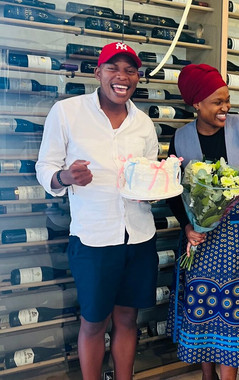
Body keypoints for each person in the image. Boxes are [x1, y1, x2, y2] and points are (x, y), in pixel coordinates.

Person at [36, 41, 159, 380]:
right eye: (113, 68)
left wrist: (152, 189)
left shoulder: (144, 124)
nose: (122, 76)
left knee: (128, 319)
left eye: (130, 70)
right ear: (98, 73)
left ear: (137, 78)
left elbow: (149, 175)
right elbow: (45, 167)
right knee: (93, 322)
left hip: (139, 236)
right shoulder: (67, 112)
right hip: (93, 239)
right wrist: (65, 177)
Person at [166, 64, 239, 380]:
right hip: (201, 238)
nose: (225, 107)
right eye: (217, 102)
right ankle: (207, 374)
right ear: (196, 104)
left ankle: (227, 377)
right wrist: (188, 227)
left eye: (227, 99)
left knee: (235, 306)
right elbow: (174, 190)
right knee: (202, 303)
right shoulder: (181, 138)